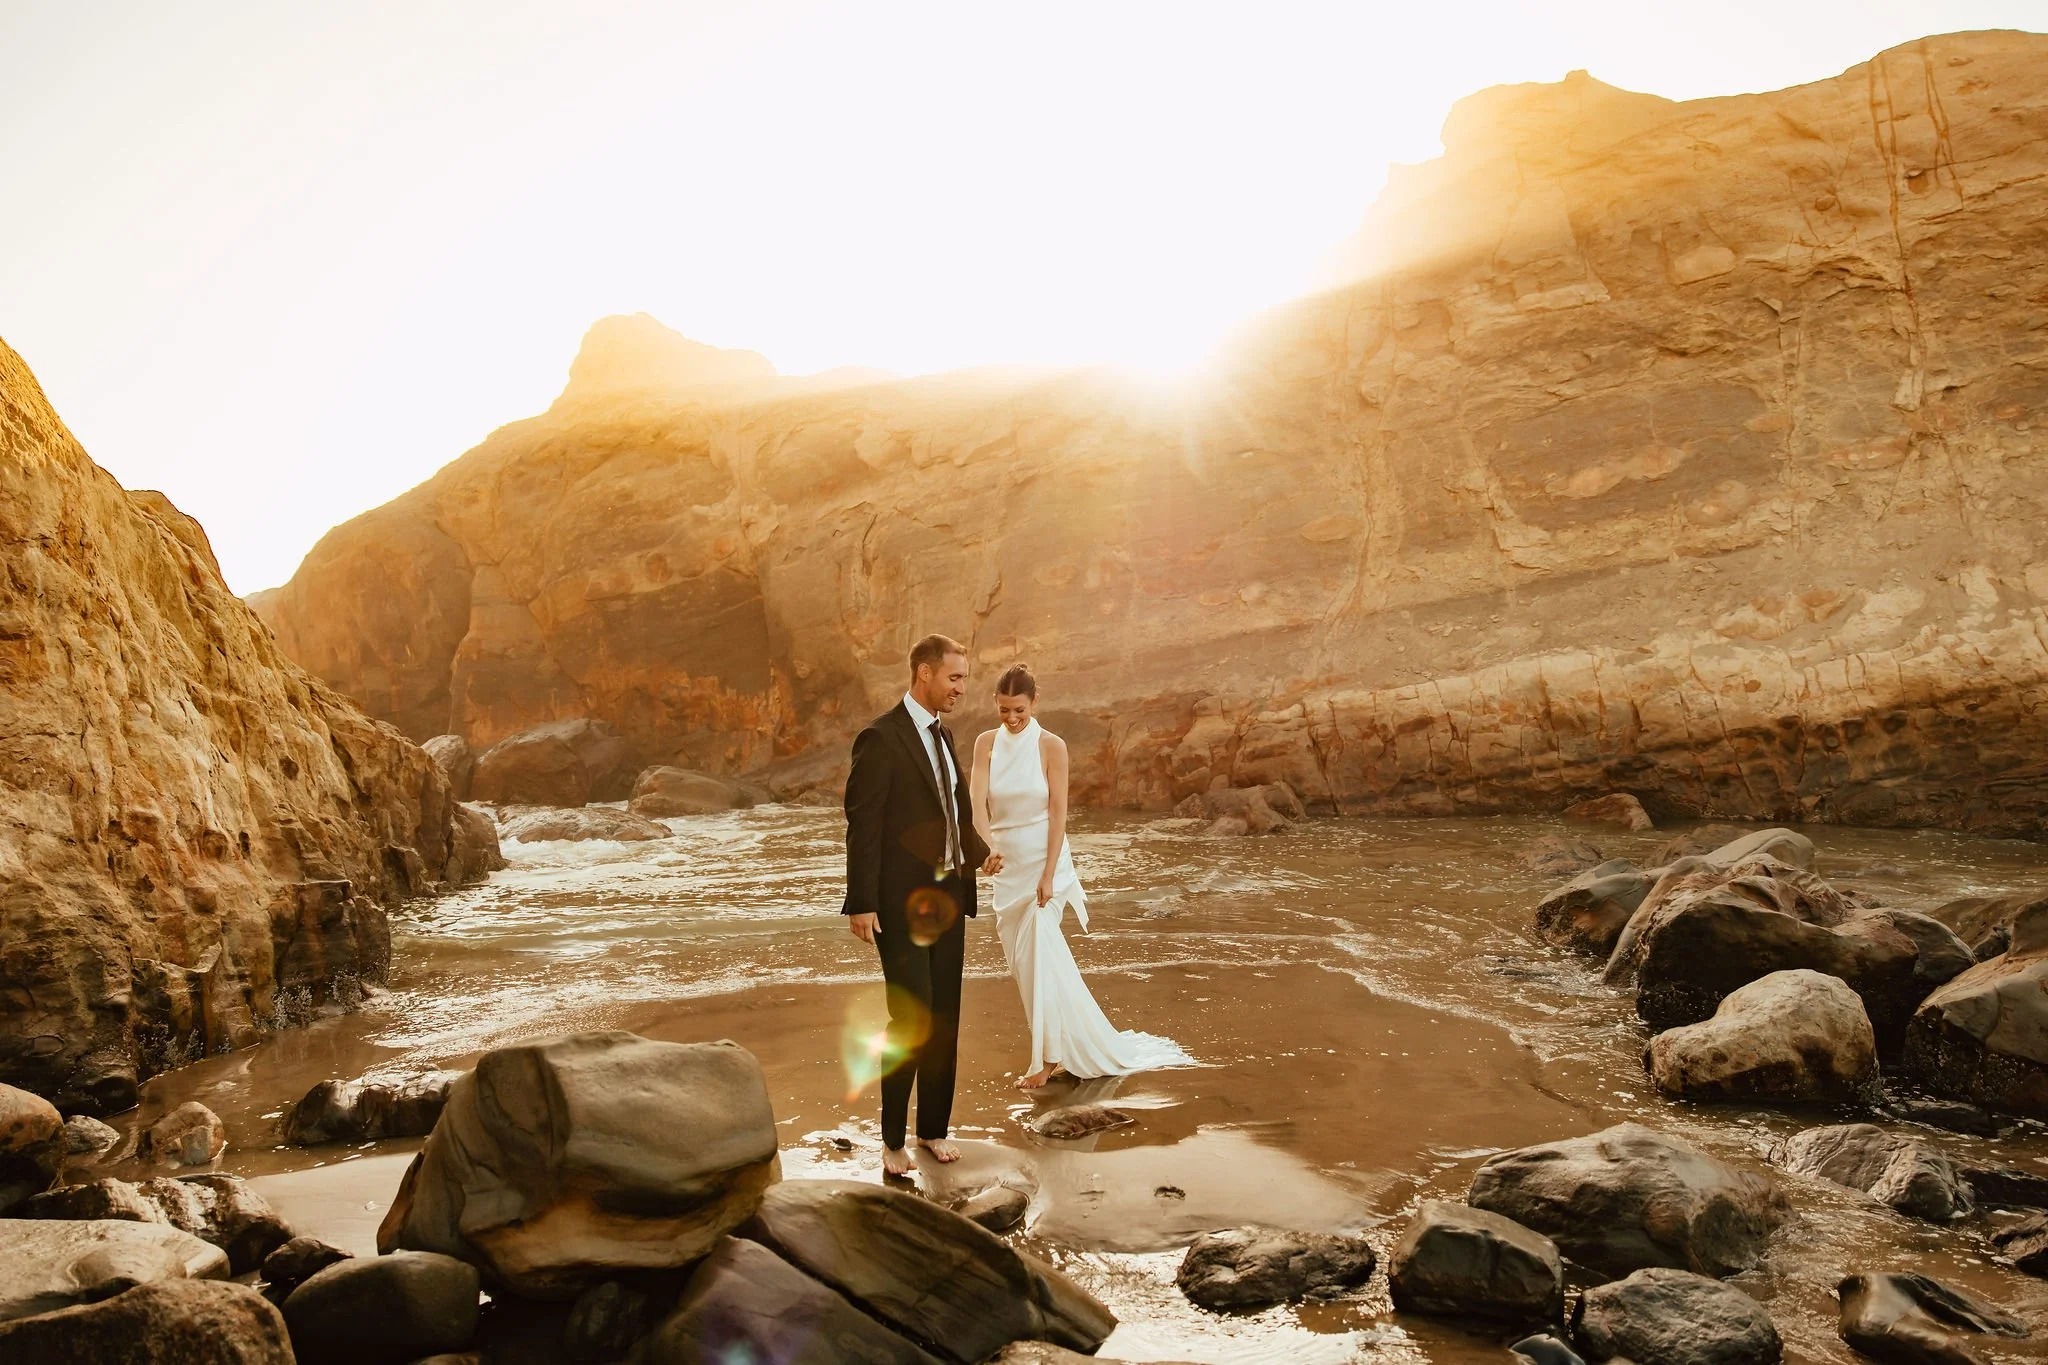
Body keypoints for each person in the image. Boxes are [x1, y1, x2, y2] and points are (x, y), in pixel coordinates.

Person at [970, 663, 1192, 1088]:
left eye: (1018, 709)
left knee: (1040, 956)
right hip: (1005, 865)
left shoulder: (1052, 746)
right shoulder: (985, 744)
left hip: (1044, 862)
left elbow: (1058, 814)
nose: (1012, 719)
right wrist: (986, 849)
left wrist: (1050, 874)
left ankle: (1046, 1060)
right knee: (1024, 965)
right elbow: (977, 804)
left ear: (1035, 702)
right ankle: (1057, 1046)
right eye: (1003, 711)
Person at [842, 633, 991, 1175]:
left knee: (944, 1018)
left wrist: (980, 856)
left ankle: (932, 1130)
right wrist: (861, 901)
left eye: (964, 679)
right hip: (899, 903)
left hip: (947, 895)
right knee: (911, 1017)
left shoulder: (944, 736)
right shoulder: (880, 738)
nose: (961, 688)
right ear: (924, 673)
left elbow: (951, 814)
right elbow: (865, 824)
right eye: (954, 677)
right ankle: (892, 1141)